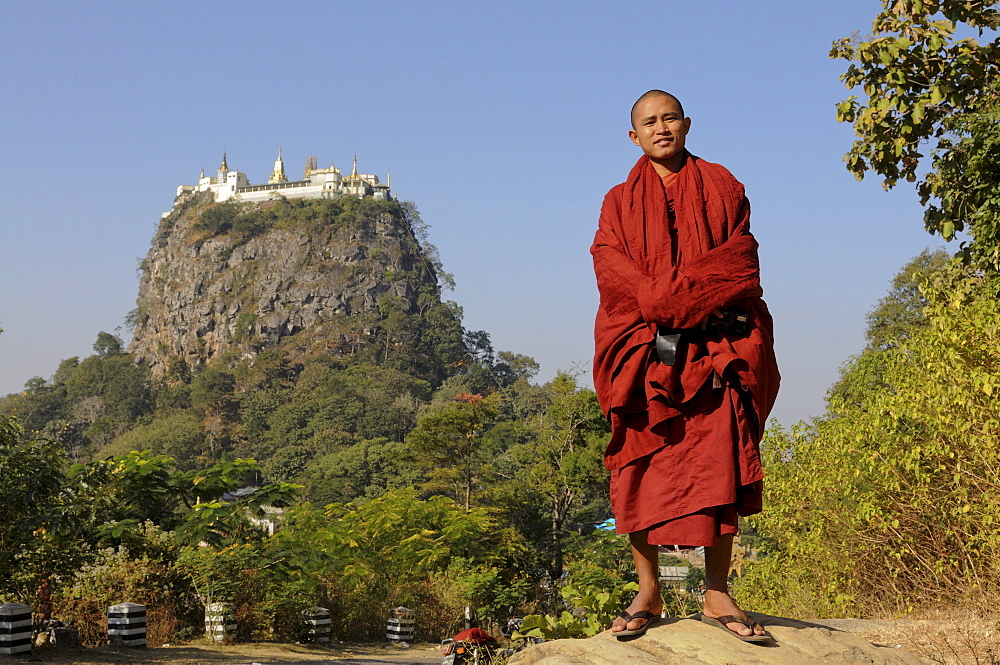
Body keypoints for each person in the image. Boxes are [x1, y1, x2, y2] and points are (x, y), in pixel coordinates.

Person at [591, 90, 780, 641]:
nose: (661, 128)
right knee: (637, 464)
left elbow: (740, 261)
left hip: (712, 346)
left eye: (669, 118)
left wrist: (675, 299)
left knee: (719, 460)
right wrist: (667, 300)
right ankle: (647, 591)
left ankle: (716, 591)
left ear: (687, 123)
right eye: (649, 122)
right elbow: (610, 268)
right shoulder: (617, 201)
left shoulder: (724, 185)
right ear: (634, 136)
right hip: (645, 350)